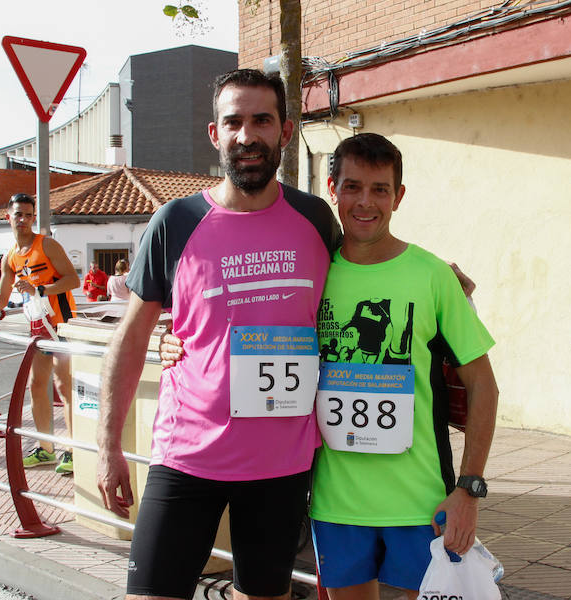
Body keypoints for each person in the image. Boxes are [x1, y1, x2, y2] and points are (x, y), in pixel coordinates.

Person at [96, 68, 341, 600]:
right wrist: (107, 445)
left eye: (261, 120)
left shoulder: (316, 219)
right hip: (187, 456)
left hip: (281, 464)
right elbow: (132, 338)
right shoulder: (175, 221)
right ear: (215, 133)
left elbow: (369, 276)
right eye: (233, 121)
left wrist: (438, 275)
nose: (247, 135)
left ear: (286, 130)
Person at [310, 133, 499, 599]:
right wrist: (173, 340)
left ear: (399, 196)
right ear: (332, 188)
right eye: (352, 187)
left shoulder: (432, 275)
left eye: (379, 189)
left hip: (422, 502)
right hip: (335, 502)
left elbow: (483, 387)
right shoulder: (314, 273)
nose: (365, 202)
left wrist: (469, 490)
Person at [0, 193, 79, 475]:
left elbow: (72, 279)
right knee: (36, 386)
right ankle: (45, 449)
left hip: (61, 327)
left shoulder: (47, 245)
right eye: (19, 214)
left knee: (65, 388)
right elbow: (2, 297)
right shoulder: (11, 257)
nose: (24, 220)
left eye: (29, 215)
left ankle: (74, 451)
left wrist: (41, 290)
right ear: (9, 217)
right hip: (38, 330)